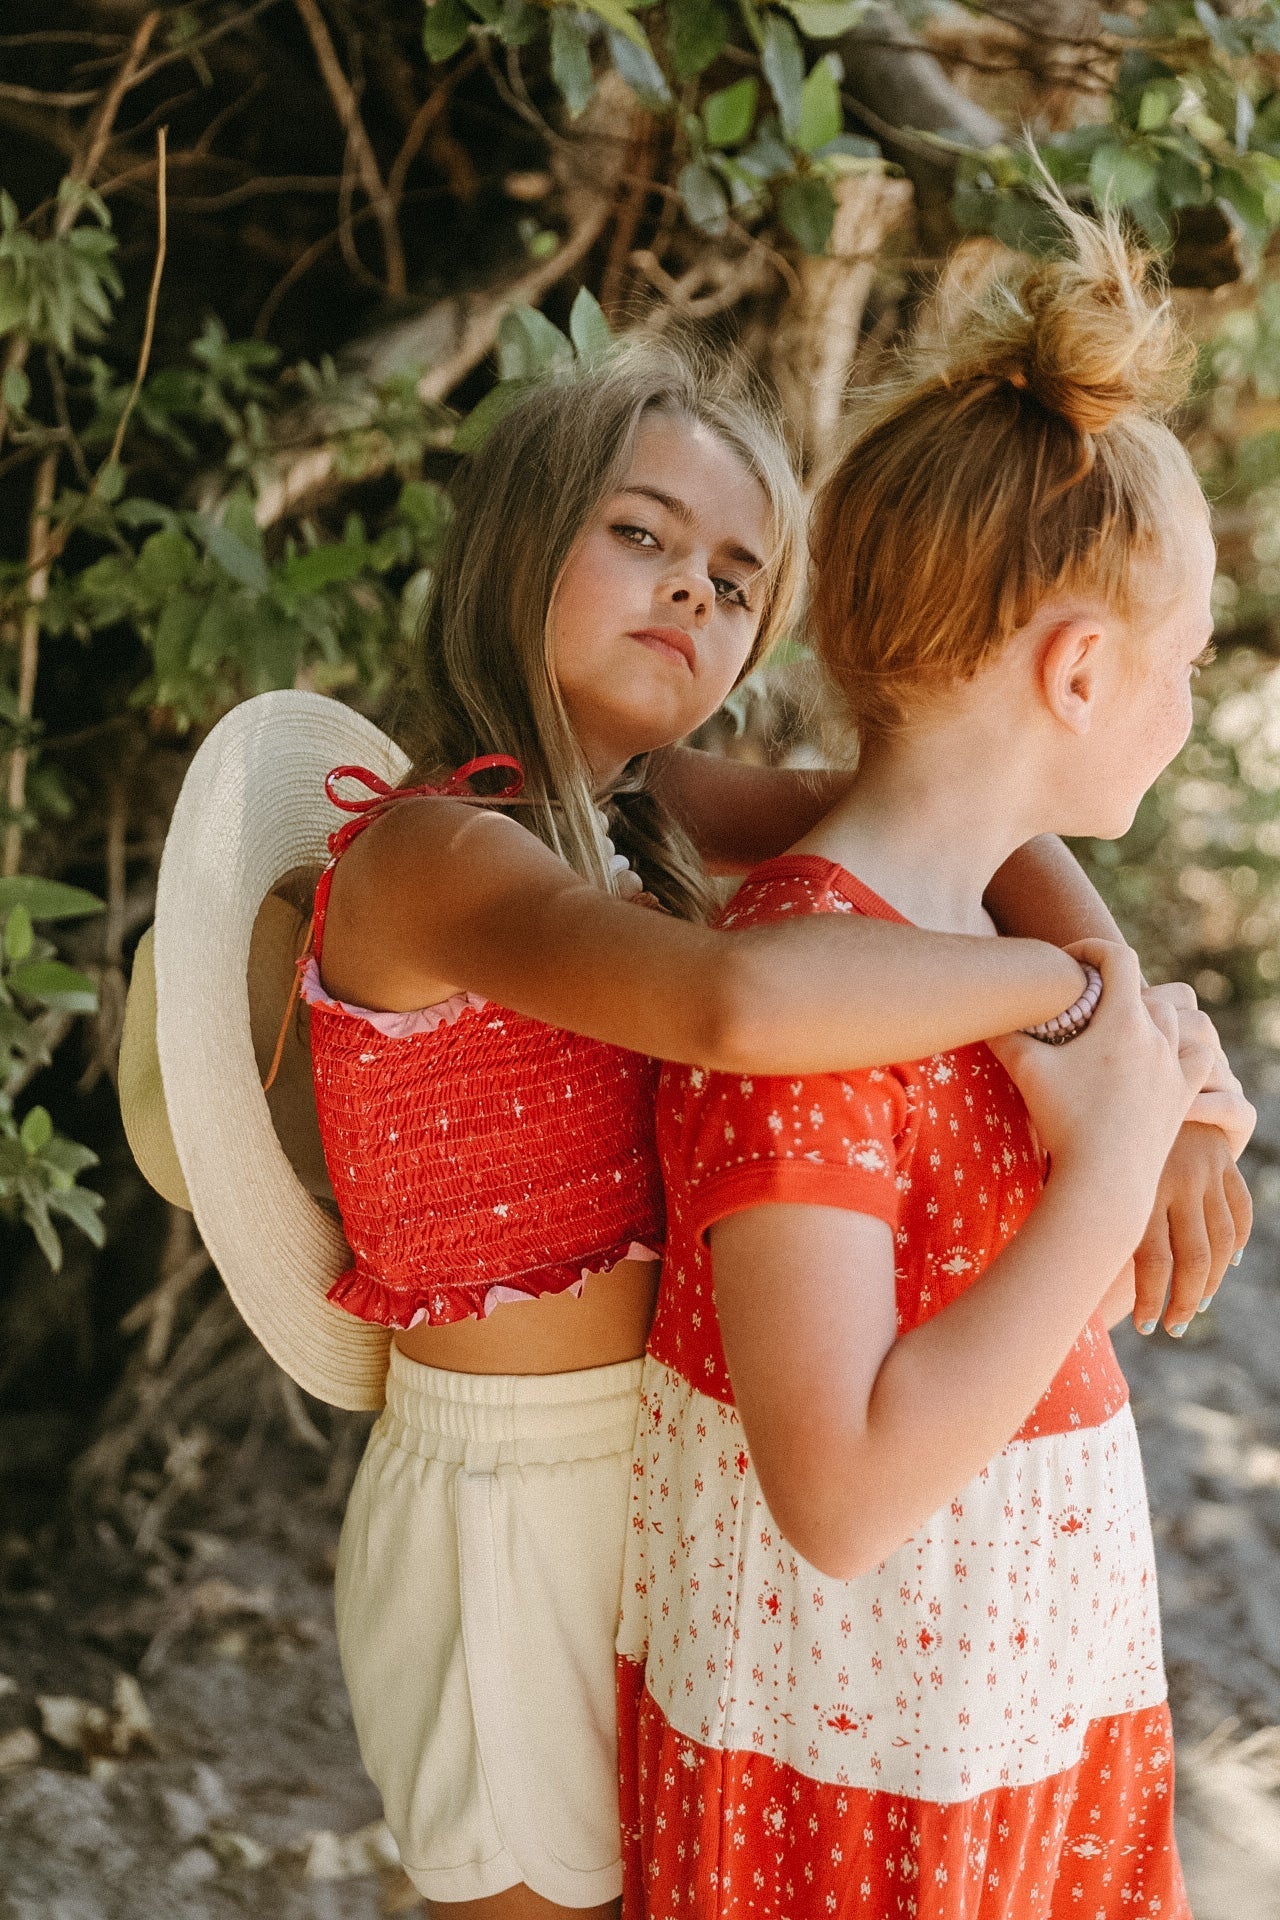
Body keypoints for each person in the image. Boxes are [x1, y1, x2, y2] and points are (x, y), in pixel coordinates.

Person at [125, 336, 1249, 1920]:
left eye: (736, 576)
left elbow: (971, 818)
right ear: (522, 544)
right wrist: (1068, 1026)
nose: (692, 594)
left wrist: (1126, 1025)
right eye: (642, 534)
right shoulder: (436, 854)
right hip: (504, 1507)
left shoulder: (647, 807)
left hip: (666, 1484)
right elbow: (732, 1005)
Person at [615, 208, 1242, 1917]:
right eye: (1180, 672)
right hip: (854, 1800)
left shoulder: (963, 946)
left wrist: (1139, 1066)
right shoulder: (819, 1000)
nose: (1183, 710)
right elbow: (837, 1494)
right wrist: (1112, 1160)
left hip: (989, 1730)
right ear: (1082, 668)